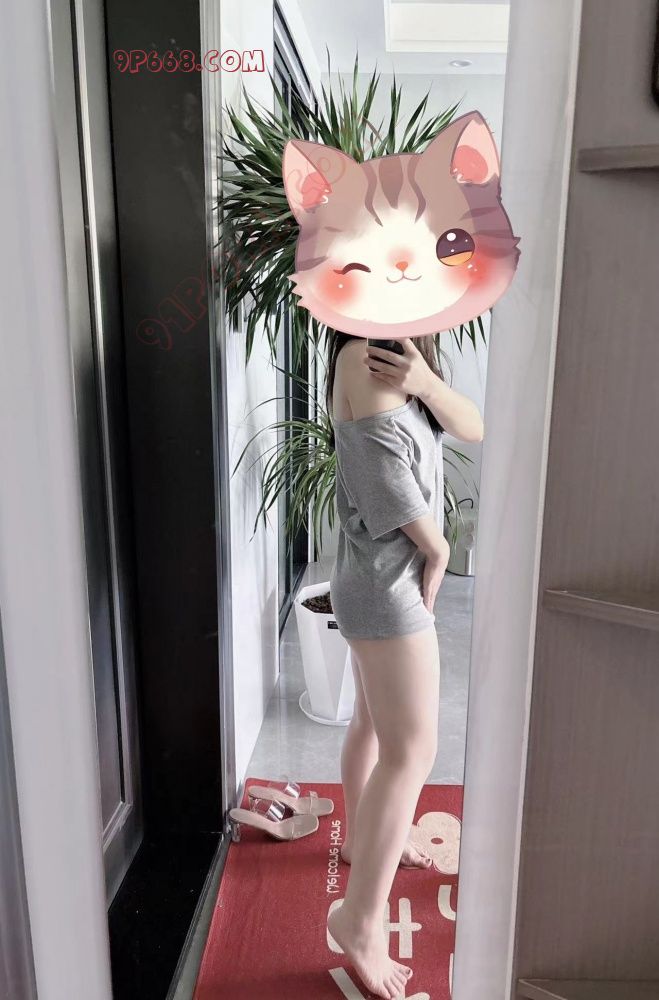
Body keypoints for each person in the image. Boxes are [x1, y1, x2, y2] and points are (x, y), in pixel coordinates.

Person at [326, 333, 484, 1000]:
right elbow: (385, 480)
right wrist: (438, 546)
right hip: (386, 586)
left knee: (374, 724)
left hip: (378, 579)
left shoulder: (404, 356)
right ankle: (359, 920)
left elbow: (471, 425)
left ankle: (360, 845)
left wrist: (424, 381)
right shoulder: (363, 354)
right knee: (412, 751)